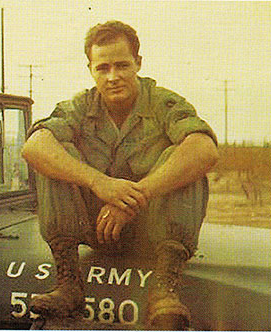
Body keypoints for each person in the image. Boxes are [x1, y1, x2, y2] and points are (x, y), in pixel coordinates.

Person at [21, 20, 219, 329]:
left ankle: (164, 288)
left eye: (122, 65)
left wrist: (134, 197)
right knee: (56, 152)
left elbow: (204, 149)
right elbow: (34, 146)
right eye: (103, 68)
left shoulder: (162, 102)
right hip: (94, 228)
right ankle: (69, 282)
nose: (113, 77)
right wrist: (99, 183)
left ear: (138, 63)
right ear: (91, 70)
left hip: (152, 235)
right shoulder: (79, 105)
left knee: (181, 157)